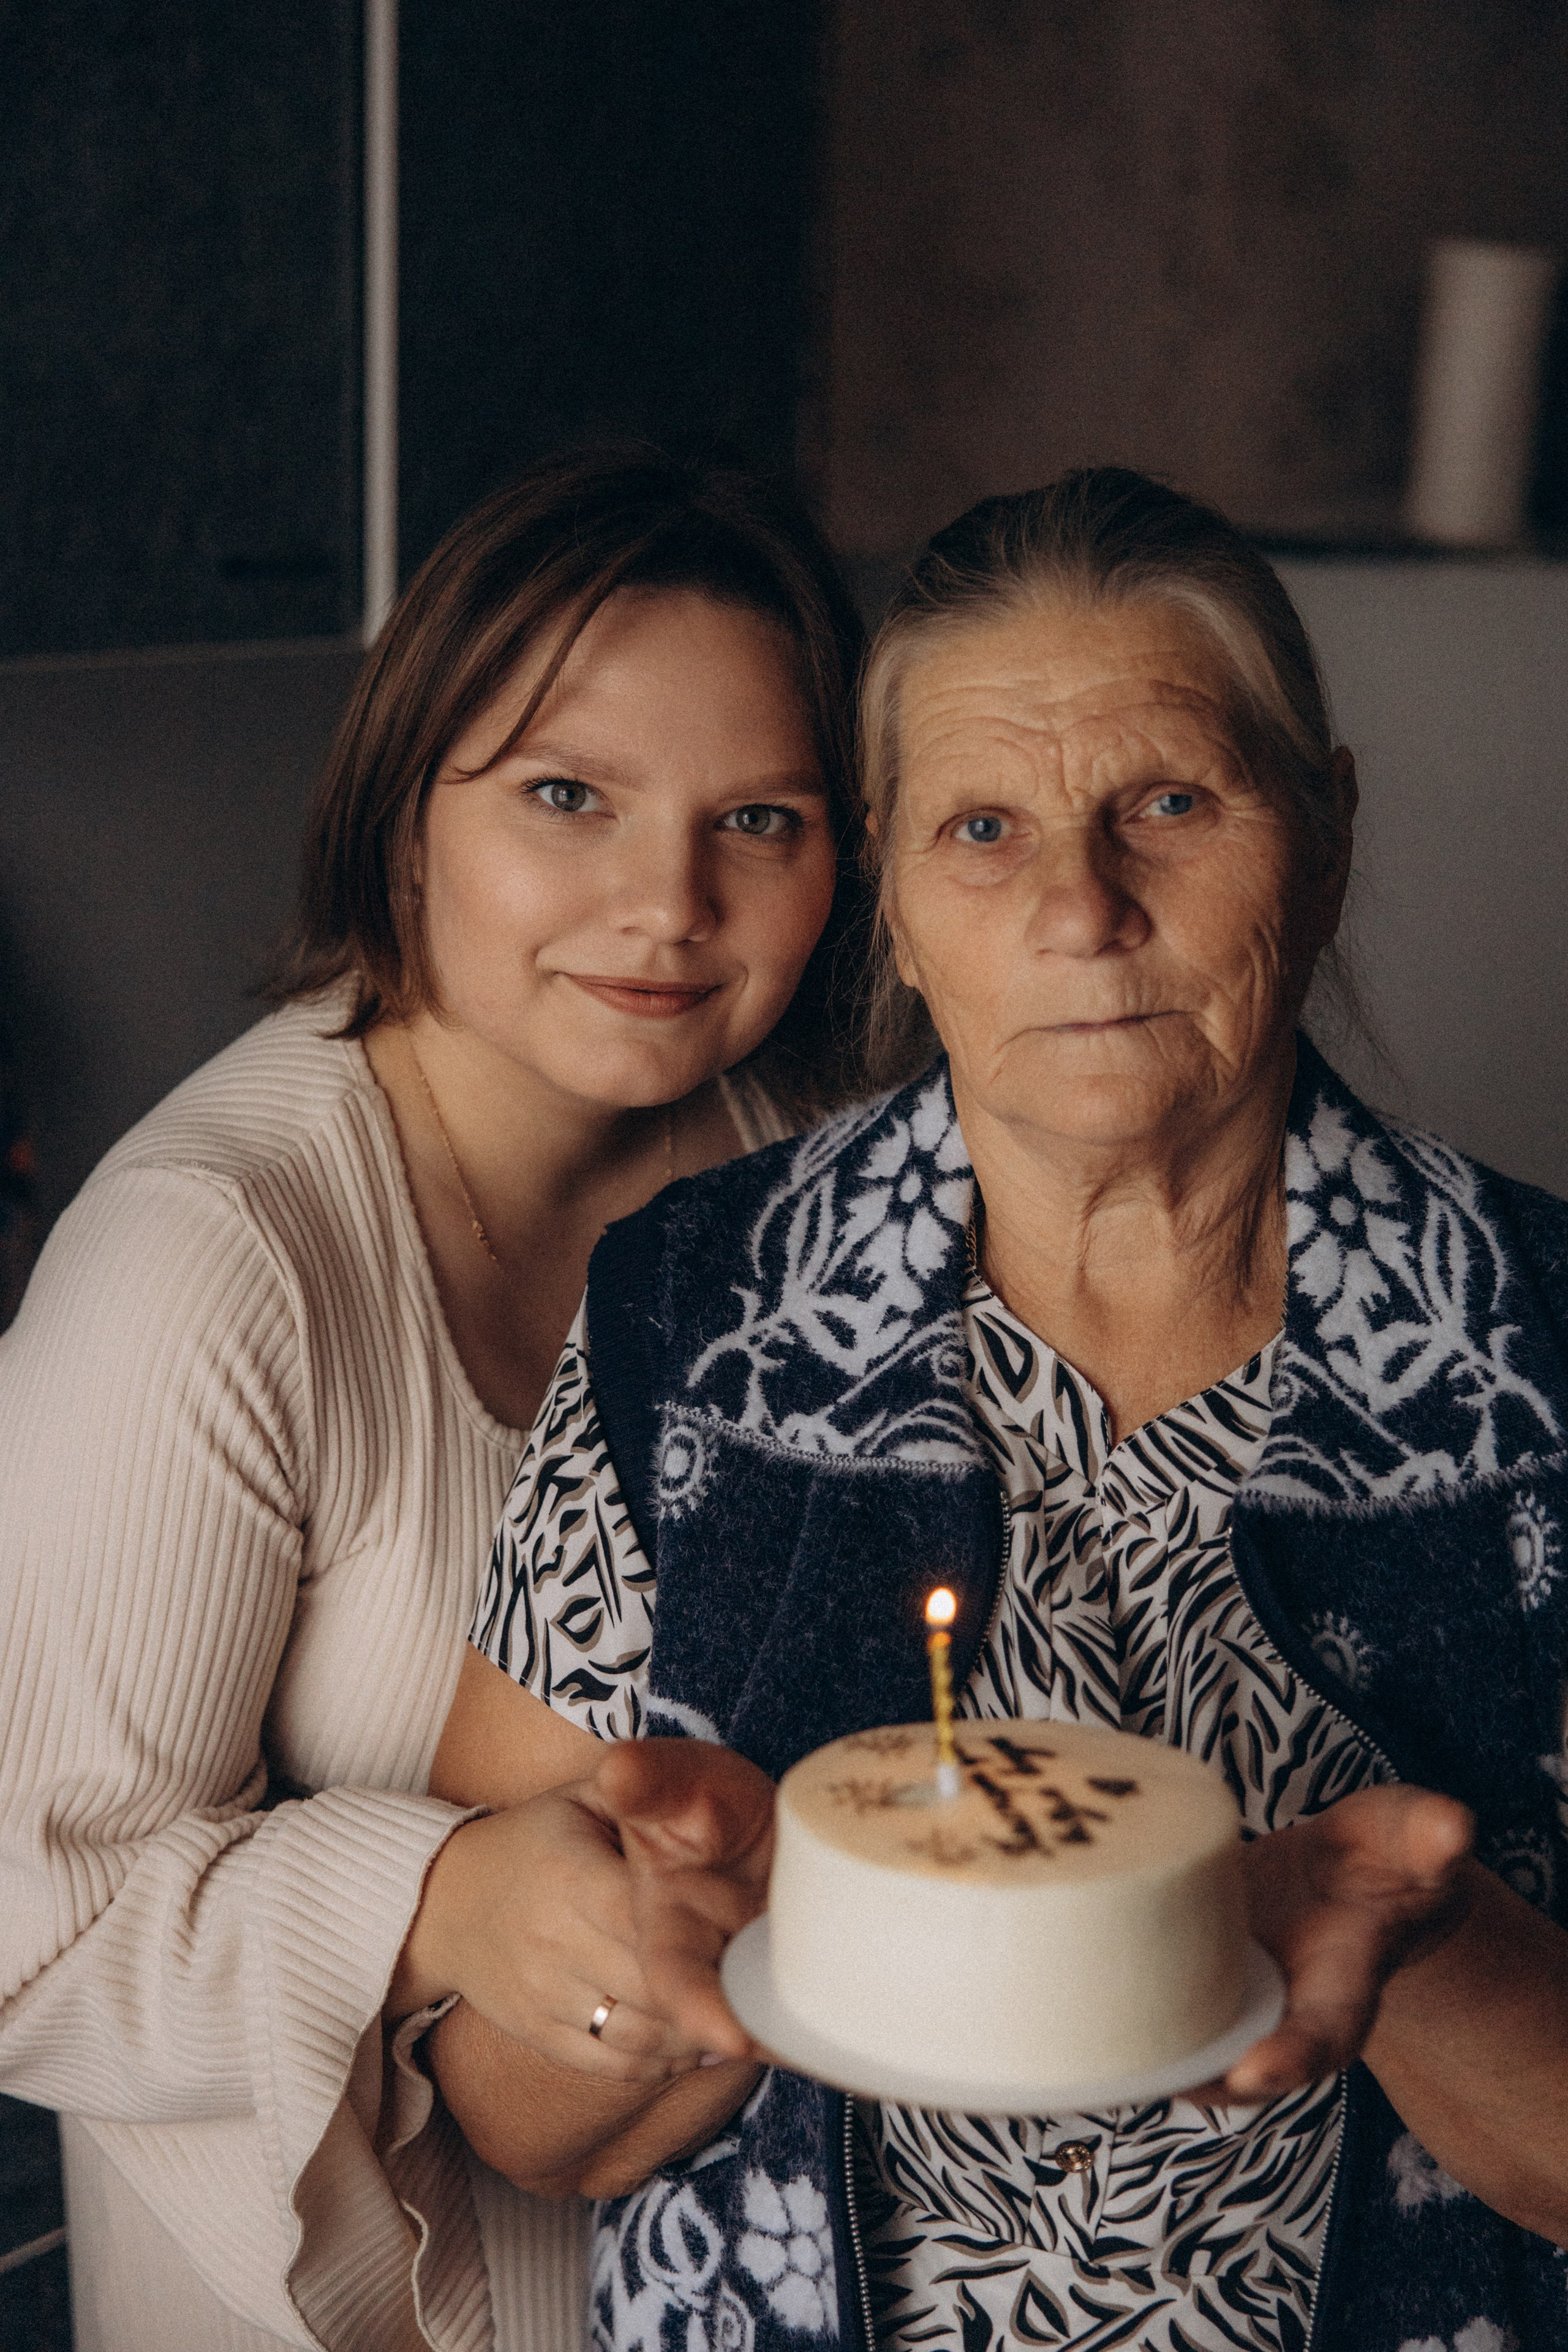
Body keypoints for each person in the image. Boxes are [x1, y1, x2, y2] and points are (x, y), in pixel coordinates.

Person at [419, 469, 1568, 2352]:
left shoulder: (1537, 1356)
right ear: (893, 888)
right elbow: (511, 2120)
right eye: (983, 827)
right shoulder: (695, 1325)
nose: (1082, 907)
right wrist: (689, 1952)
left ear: (1327, 832)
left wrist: (1428, 1955)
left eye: (1171, 805)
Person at [0, 448, 869, 2352]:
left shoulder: (811, 1181)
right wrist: (440, 1898)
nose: (666, 902)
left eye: (762, 818)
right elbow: (28, 1930)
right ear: (408, 822)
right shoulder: (211, 1258)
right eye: (569, 796)